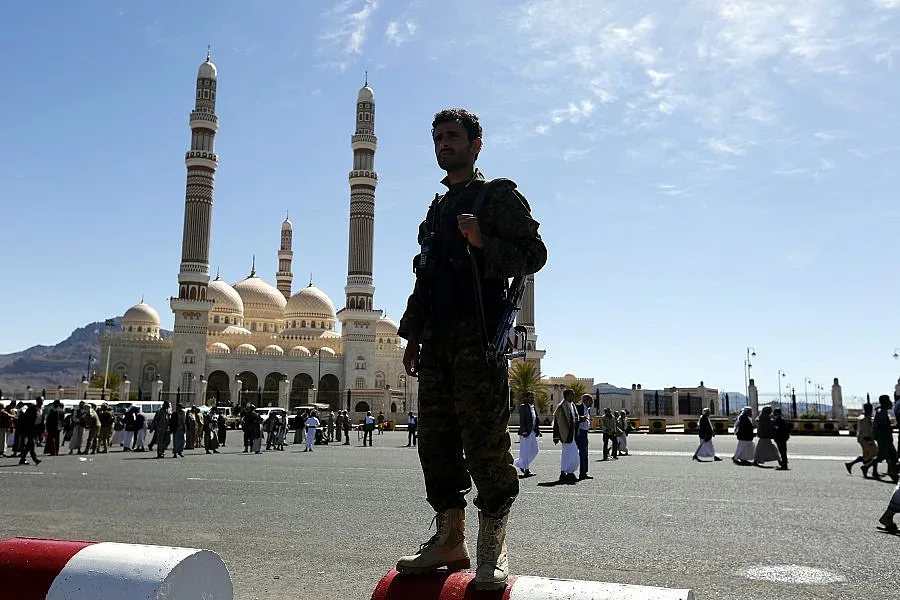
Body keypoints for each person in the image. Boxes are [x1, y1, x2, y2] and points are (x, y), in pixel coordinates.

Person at [395, 108, 547, 590]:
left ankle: (492, 544)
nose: (444, 144)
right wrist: (413, 334)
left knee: (485, 444)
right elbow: (426, 277)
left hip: (477, 341)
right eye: (438, 137)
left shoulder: (495, 196)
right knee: (436, 445)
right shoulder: (437, 211)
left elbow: (535, 255)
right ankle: (449, 537)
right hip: (437, 344)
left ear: (475, 144)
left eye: (453, 137)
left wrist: (483, 241)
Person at [552, 391, 579, 483]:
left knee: (566, 455)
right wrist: (556, 436)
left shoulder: (572, 405)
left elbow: (574, 418)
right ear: (567, 395)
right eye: (572, 394)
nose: (573, 396)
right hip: (565, 434)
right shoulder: (561, 407)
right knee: (573, 454)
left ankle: (563, 473)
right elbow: (556, 421)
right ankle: (570, 473)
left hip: (572, 434)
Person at [846, 402, 878, 477]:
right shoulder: (866, 418)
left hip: (861, 438)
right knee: (875, 454)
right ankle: (872, 471)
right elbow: (866, 431)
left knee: (866, 456)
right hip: (866, 438)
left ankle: (850, 464)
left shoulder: (861, 417)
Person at [513, 392, 540, 477]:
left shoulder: (533, 407)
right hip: (525, 433)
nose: (532, 399)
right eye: (530, 397)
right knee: (525, 451)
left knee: (535, 450)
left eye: (533, 397)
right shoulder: (523, 407)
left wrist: (538, 431)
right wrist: (524, 431)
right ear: (526, 398)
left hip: (532, 432)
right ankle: (526, 470)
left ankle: (520, 463)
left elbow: (535, 420)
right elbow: (522, 421)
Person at [873, 395, 899, 483]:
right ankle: (865, 467)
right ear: (885, 402)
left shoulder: (882, 411)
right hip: (884, 439)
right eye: (889, 401)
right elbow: (883, 427)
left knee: (889, 456)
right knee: (885, 456)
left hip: (886, 438)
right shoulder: (882, 412)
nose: (890, 403)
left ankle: (890, 472)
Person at [17, 396, 44, 466]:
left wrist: (41, 431)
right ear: (37, 401)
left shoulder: (41, 409)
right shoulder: (32, 408)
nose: (40, 403)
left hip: (36, 428)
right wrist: (26, 428)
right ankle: (35, 459)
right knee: (32, 443)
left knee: (29, 445)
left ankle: (22, 459)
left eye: (41, 401)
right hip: (29, 428)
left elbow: (41, 420)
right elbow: (26, 419)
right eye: (39, 401)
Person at [573, 393, 592, 480]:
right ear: (586, 400)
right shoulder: (578, 407)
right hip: (579, 432)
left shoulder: (588, 409)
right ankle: (573, 472)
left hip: (585, 432)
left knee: (585, 453)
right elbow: (574, 418)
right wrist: (581, 418)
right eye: (591, 401)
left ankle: (584, 472)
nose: (592, 403)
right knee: (580, 453)